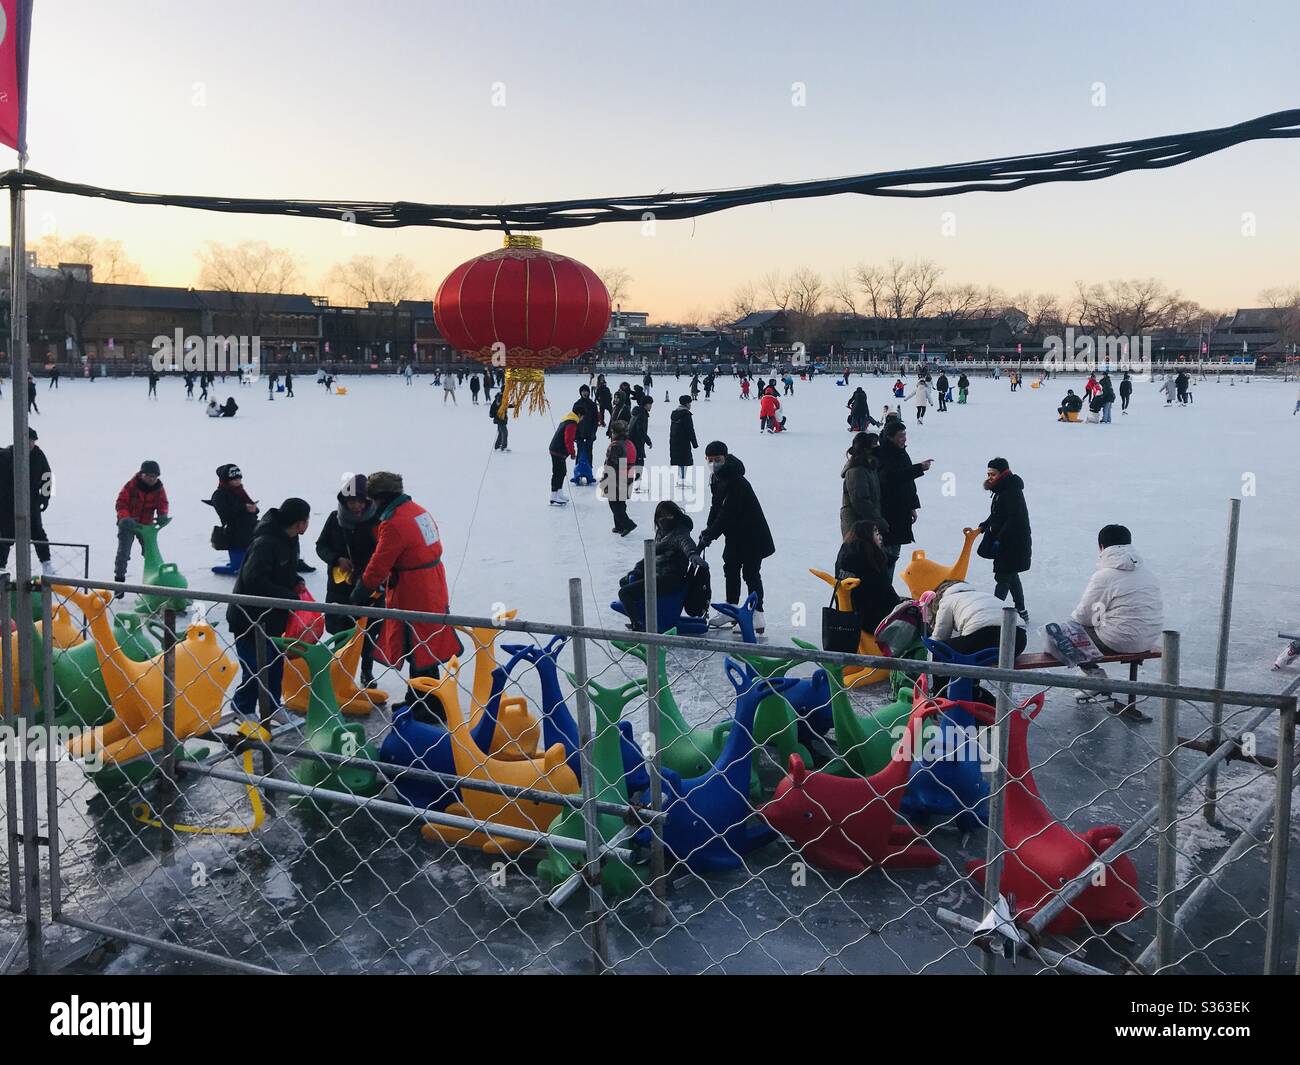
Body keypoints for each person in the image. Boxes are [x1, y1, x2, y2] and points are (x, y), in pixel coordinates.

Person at [350, 471, 462, 713]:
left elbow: (379, 565)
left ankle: (428, 708)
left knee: (419, 645)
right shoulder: (417, 510)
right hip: (431, 584)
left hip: (415, 590)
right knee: (423, 645)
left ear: (380, 498)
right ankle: (420, 700)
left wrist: (359, 593)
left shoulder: (394, 523)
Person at [227, 498, 313, 717]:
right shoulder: (265, 542)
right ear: (299, 523)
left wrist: (294, 580)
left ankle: (273, 706)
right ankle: (242, 707)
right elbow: (253, 579)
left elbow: (281, 569)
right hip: (248, 617)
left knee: (274, 665)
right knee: (256, 667)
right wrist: (288, 596)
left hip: (273, 617)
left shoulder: (289, 539)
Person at [1069, 524, 1164, 711]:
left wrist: (1092, 621)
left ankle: (1094, 675)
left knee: (1065, 631)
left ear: (1102, 548)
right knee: (1092, 622)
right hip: (1148, 638)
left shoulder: (1104, 576)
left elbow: (1084, 616)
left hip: (1120, 641)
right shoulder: (1147, 573)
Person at [698, 441, 775, 635]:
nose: (714, 463)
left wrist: (712, 534)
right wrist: (708, 530)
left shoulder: (736, 480)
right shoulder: (716, 478)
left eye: (718, 459)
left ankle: (757, 615)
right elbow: (716, 507)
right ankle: (731, 610)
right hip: (735, 534)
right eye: (711, 460)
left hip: (752, 534)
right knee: (730, 567)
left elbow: (727, 513)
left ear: (726, 457)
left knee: (750, 573)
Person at [316, 474, 381, 686]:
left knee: (368, 632)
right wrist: (337, 559)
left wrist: (366, 573)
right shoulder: (334, 520)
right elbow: (321, 546)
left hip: (367, 587)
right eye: (352, 501)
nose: (356, 506)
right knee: (339, 631)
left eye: (361, 501)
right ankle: (338, 671)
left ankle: (366, 672)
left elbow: (383, 554)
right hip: (339, 587)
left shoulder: (377, 522)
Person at [616, 501, 698, 628]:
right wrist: (638, 569)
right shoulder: (661, 532)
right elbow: (652, 554)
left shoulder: (679, 532)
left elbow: (686, 543)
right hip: (657, 574)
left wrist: (693, 554)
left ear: (675, 515)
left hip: (669, 579)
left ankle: (637, 625)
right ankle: (644, 615)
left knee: (624, 593)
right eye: (660, 516)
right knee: (625, 581)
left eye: (668, 515)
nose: (664, 519)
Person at [976, 457, 1031, 622]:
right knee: (1011, 575)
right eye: (988, 474)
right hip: (1008, 541)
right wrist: (984, 525)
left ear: (1003, 473)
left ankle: (993, 612)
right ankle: (1021, 609)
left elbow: (1014, 518)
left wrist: (999, 539)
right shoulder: (1002, 489)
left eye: (993, 474)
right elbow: (998, 514)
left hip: (1013, 543)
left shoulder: (1011, 491)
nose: (989, 477)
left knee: (1003, 577)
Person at [876, 420, 932, 578]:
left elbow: (908, 482)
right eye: (901, 436)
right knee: (886, 554)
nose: (905, 439)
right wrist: (918, 468)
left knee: (893, 553)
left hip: (901, 510)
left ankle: (886, 589)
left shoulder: (900, 452)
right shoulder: (883, 454)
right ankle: (883, 590)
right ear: (890, 437)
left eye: (905, 435)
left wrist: (912, 506)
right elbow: (891, 478)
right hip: (889, 511)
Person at [0, 428, 54, 575]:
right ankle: (1, 567)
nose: (32, 444)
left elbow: (47, 476)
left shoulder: (38, 455)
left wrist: (45, 497)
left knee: (38, 533)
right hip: (7, 504)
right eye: (29, 441)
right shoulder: (6, 455)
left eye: (33, 441)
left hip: (31, 503)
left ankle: (47, 565)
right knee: (5, 536)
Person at [926, 578, 1027, 656]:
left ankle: (941, 684)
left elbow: (940, 636)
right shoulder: (983, 595)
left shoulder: (947, 600)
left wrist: (930, 649)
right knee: (971, 650)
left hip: (984, 637)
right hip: (1018, 639)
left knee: (942, 650)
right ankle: (973, 682)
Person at [835, 520, 901, 633]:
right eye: (876, 534)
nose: (880, 537)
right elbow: (886, 591)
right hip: (872, 619)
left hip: (846, 615)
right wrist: (902, 605)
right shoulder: (871, 559)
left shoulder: (845, 554)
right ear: (868, 537)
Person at [114, 460, 170, 586]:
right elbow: (121, 502)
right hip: (128, 524)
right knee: (123, 553)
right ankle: (119, 581)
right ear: (141, 475)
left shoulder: (159, 489)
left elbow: (163, 503)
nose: (151, 479)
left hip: (146, 526)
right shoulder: (131, 485)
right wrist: (125, 517)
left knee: (150, 552)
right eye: (148, 476)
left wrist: (162, 515)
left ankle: (154, 579)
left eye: (154, 476)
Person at [204, 463, 259, 571]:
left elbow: (252, 508)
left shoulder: (240, 491)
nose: (238, 482)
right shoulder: (219, 495)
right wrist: (244, 508)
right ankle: (238, 565)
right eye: (234, 480)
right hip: (234, 530)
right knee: (241, 542)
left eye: (239, 479)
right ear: (226, 480)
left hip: (249, 527)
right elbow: (225, 512)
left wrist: (254, 509)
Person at [840, 431, 888, 538]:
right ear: (866, 449)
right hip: (857, 525)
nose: (878, 448)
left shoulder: (870, 467)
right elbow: (860, 501)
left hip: (867, 523)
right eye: (874, 445)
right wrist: (878, 521)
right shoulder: (857, 471)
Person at [601, 420, 638, 536]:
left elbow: (611, 465)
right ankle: (619, 526)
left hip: (616, 478)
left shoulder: (616, 446)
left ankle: (628, 524)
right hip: (627, 476)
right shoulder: (629, 444)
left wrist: (605, 480)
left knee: (614, 504)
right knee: (620, 502)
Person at [547, 409, 579, 506]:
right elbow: (568, 440)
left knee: (562, 472)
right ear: (580, 414)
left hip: (557, 449)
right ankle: (553, 495)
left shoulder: (568, 419)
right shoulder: (572, 423)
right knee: (558, 472)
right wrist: (572, 453)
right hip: (558, 451)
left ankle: (559, 492)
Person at [669, 394, 698, 483]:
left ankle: (681, 478)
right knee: (684, 460)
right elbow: (690, 429)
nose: (690, 405)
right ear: (686, 404)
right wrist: (694, 443)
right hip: (684, 441)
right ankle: (682, 479)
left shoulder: (675, 413)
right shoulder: (686, 414)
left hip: (674, 440)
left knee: (680, 460)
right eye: (690, 403)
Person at [628, 394, 653, 477]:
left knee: (633, 460)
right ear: (646, 404)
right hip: (637, 441)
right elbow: (640, 430)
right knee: (639, 461)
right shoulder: (642, 414)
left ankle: (633, 480)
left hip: (631, 440)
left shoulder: (637, 412)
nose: (651, 407)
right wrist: (648, 441)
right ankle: (637, 482)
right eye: (650, 404)